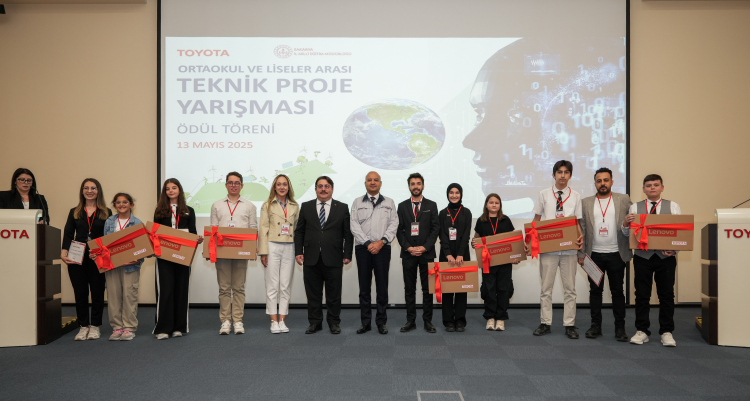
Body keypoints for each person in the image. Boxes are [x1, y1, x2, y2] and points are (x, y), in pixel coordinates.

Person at [526, 160, 584, 339]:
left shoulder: (576, 196)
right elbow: (536, 219)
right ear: (553, 174)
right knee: (546, 288)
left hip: (569, 249)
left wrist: (580, 236)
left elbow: (577, 221)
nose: (562, 175)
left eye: (566, 172)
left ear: (570, 175)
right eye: (559, 172)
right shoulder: (544, 194)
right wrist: (529, 241)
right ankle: (545, 323)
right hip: (549, 248)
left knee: (570, 289)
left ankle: (570, 324)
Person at [624, 174, 681, 347]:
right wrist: (625, 224)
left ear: (662, 187)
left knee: (666, 295)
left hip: (666, 258)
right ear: (644, 189)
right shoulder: (635, 207)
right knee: (642, 295)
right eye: (648, 185)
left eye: (656, 185)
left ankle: (666, 332)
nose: (652, 188)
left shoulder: (673, 206)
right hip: (643, 257)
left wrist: (675, 249)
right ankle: (642, 330)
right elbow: (628, 234)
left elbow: (680, 232)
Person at [577, 167, 632, 342]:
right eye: (599, 181)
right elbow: (581, 230)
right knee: (595, 292)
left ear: (612, 182)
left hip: (617, 254)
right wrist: (580, 254)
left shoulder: (624, 199)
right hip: (593, 256)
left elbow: (633, 224)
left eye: (606, 180)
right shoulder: (586, 202)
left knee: (618, 292)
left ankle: (620, 328)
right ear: (595, 183)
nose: (602, 183)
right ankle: (596, 326)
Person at [294, 176, 353, 335]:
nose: (323, 189)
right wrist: (298, 251)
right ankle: (315, 323)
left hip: (334, 257)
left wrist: (347, 253)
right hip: (311, 257)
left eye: (327, 186)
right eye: (320, 186)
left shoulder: (342, 207)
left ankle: (334, 322)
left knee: (334, 294)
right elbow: (299, 231)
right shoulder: (306, 206)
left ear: (332, 189)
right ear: (315, 189)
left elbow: (347, 234)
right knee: (313, 294)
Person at [60, 178, 111, 341]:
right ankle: (83, 326)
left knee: (97, 292)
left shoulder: (106, 212)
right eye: (86, 188)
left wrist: (103, 252)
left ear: (98, 191)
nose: (89, 191)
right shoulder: (74, 211)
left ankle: (95, 326)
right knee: (80, 293)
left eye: (93, 188)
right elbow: (68, 234)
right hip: (77, 256)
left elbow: (110, 236)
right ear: (82, 191)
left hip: (97, 256)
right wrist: (64, 252)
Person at [152, 178, 203, 340]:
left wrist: (197, 239)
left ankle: (178, 327)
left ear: (179, 190)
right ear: (164, 192)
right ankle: (163, 328)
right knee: (166, 291)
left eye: (174, 188)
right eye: (167, 189)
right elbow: (154, 234)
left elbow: (193, 232)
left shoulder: (189, 210)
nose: (171, 191)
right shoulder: (159, 211)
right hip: (164, 257)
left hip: (183, 256)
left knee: (181, 290)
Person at [350, 171, 398, 335]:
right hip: (363, 249)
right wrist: (368, 243)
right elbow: (354, 225)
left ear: (380, 183)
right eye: (369, 180)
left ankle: (381, 322)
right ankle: (365, 323)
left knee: (382, 287)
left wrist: (381, 242)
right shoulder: (357, 202)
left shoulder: (389, 202)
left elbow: (394, 224)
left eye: (376, 180)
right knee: (364, 287)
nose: (372, 182)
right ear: (365, 183)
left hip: (383, 248)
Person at [209, 171, 258, 335]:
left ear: (242, 186)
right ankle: (225, 321)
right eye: (230, 182)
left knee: (239, 288)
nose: (233, 185)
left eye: (237, 183)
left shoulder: (249, 206)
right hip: (222, 251)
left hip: (241, 251)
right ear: (226, 185)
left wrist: (253, 248)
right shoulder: (217, 205)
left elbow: (253, 229)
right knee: (224, 288)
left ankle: (237, 320)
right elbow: (213, 230)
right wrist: (211, 251)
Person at [91, 193, 144, 341]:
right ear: (114, 205)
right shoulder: (109, 221)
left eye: (125, 202)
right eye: (118, 202)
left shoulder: (137, 223)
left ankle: (129, 328)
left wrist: (137, 260)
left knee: (129, 296)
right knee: (113, 296)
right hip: (112, 266)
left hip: (130, 267)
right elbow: (104, 244)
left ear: (131, 205)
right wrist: (97, 254)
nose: (122, 205)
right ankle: (117, 327)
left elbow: (143, 247)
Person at [396, 173, 440, 333]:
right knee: (409, 289)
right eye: (413, 183)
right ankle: (411, 321)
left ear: (423, 186)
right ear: (409, 186)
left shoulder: (432, 205)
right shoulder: (402, 206)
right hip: (408, 254)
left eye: (418, 183)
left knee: (427, 289)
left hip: (426, 254)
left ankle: (428, 321)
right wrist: (408, 247)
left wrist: (425, 247)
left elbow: (435, 229)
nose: (416, 186)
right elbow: (399, 230)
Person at [473, 193, 520, 331]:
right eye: (491, 202)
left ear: (500, 205)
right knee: (489, 289)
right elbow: (476, 239)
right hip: (488, 262)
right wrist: (474, 244)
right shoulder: (481, 221)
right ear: (486, 205)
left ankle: (501, 318)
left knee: (503, 289)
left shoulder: (506, 220)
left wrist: (516, 256)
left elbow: (513, 241)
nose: (494, 205)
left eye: (496, 203)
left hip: (504, 263)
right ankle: (490, 317)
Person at [259, 174, 299, 334]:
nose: (282, 187)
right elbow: (263, 229)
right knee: (272, 285)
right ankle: (273, 320)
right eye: (279, 184)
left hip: (290, 246)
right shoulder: (267, 205)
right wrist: (263, 252)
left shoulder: (295, 206)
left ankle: (282, 319)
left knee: (285, 285)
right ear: (274, 187)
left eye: (285, 184)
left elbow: (297, 229)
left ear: (289, 187)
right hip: (272, 246)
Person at [437, 183, 473, 332]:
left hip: (462, 256)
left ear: (461, 194)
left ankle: (460, 320)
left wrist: (460, 254)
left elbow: (466, 235)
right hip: (446, 256)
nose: (454, 195)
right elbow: (442, 235)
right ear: (447, 194)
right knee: (447, 289)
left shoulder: (466, 212)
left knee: (461, 289)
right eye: (451, 192)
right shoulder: (442, 213)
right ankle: (448, 321)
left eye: (457, 192)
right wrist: (448, 254)